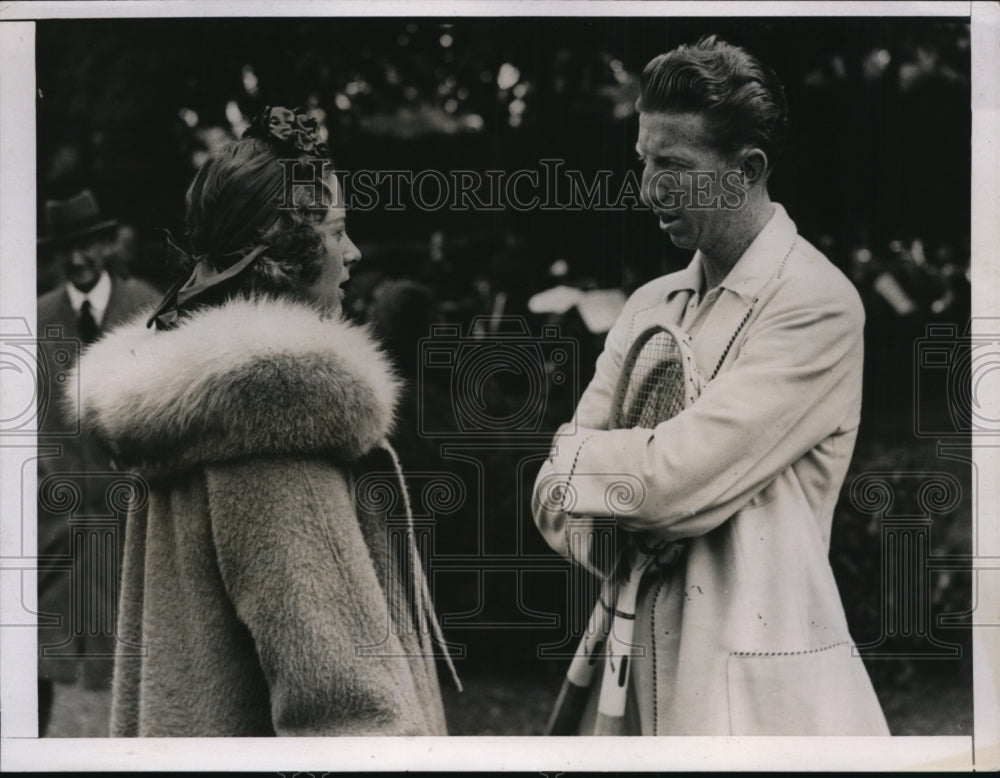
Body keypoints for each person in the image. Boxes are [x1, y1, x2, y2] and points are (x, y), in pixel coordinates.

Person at [532, 37, 889, 736]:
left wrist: (583, 465)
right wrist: (617, 526)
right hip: (630, 679)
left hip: (763, 704)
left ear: (746, 170)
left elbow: (670, 483)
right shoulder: (648, 305)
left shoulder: (818, 303)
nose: (647, 189)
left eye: (674, 166)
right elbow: (551, 503)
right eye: (644, 162)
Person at [69, 106, 458, 736]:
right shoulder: (275, 437)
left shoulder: (188, 417)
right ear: (283, 256)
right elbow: (345, 714)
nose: (353, 253)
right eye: (336, 231)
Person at [35, 189, 161, 735]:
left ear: (107, 245)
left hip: (132, 511)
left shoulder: (146, 309)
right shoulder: (36, 318)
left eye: (87, 244)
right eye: (66, 249)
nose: (78, 258)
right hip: (56, 514)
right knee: (37, 648)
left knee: (138, 651)